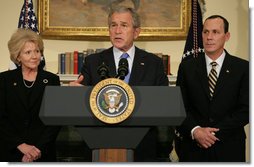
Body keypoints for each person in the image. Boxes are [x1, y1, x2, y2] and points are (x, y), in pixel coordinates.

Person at [69, 6, 174, 162]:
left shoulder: (154, 63)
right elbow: (82, 104)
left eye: (124, 25)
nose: (117, 31)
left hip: (142, 147)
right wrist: (77, 94)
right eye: (113, 25)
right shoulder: (93, 62)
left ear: (136, 32)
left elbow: (163, 102)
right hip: (99, 144)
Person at [175, 15, 249, 162]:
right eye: (205, 32)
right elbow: (179, 106)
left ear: (226, 36)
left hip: (229, 147)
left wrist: (213, 135)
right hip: (193, 147)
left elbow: (246, 109)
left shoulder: (243, 68)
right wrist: (196, 131)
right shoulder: (187, 67)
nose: (209, 37)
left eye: (215, 32)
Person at [0, 28, 61, 162]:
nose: (34, 56)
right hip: (11, 151)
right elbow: (1, 119)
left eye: (37, 51)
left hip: (43, 153)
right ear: (17, 56)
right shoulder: (4, 80)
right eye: (28, 52)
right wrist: (21, 146)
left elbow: (55, 121)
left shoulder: (52, 80)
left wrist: (36, 150)